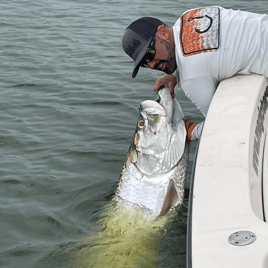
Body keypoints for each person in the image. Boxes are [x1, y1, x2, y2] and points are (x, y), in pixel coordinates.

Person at [122, 6, 268, 141]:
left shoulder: (190, 77)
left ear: (163, 32)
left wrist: (191, 132)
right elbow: (207, 56)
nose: (152, 65)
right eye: (144, 64)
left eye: (149, 54)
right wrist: (176, 76)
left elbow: (224, 123)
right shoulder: (188, 17)